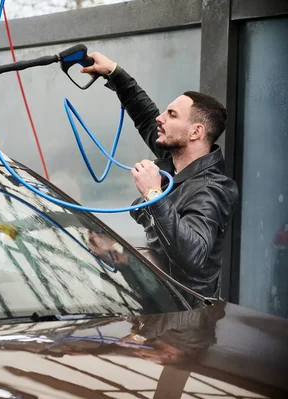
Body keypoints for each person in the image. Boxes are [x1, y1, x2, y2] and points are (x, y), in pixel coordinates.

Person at [81, 53, 240, 304]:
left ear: (196, 132)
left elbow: (193, 256)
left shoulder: (213, 189)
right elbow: (145, 115)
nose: (160, 118)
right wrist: (114, 72)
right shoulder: (174, 162)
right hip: (158, 306)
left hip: (187, 322)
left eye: (172, 115)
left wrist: (153, 194)